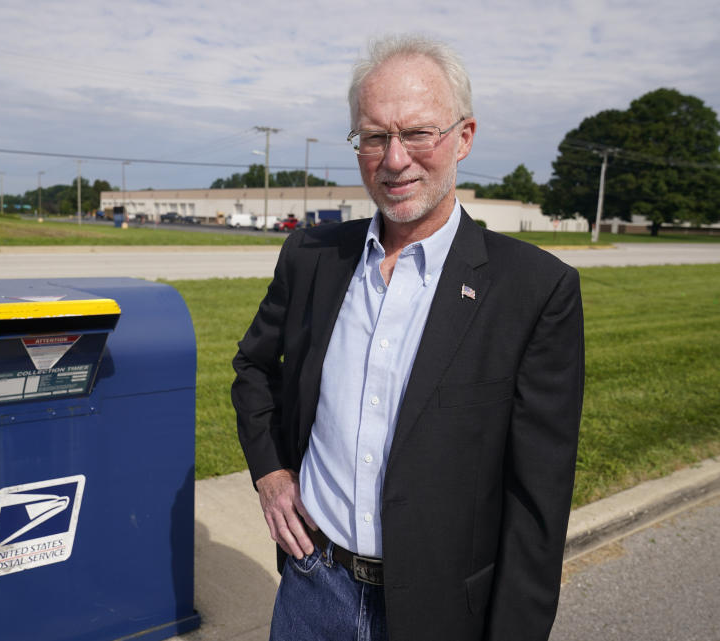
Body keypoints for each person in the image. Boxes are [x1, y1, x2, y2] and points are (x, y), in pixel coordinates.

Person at [232, 34, 584, 641]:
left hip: (440, 611)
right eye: (374, 136)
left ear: (463, 137)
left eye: (418, 132)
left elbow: (536, 507)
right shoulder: (312, 256)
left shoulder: (534, 290)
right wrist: (270, 473)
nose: (395, 160)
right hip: (313, 588)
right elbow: (255, 371)